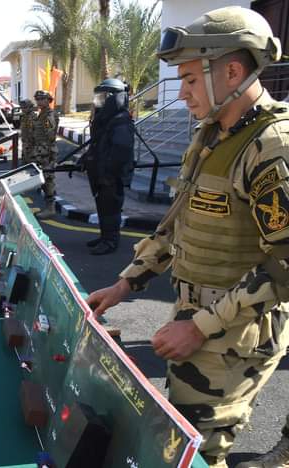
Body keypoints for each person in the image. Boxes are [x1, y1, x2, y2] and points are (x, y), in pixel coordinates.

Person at [87, 7, 289, 468]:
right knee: (177, 439)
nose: (181, 93)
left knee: (192, 454)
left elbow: (283, 267)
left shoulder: (272, 149)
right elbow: (176, 223)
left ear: (232, 72)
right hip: (200, 318)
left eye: (191, 80)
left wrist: (197, 327)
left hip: (235, 331)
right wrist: (125, 283)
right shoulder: (212, 135)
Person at [83, 79, 135, 255]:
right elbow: (98, 145)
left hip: (112, 176)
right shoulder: (108, 119)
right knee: (103, 207)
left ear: (114, 98)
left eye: (103, 97)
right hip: (103, 174)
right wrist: (86, 159)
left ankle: (111, 241)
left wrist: (109, 174)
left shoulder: (121, 121)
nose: (99, 100)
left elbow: (121, 151)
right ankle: (104, 237)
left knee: (111, 209)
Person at [29, 90, 58, 218]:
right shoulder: (42, 114)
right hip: (40, 150)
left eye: (42, 99)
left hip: (46, 151)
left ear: (48, 100)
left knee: (48, 179)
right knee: (43, 179)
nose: (39, 101)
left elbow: (50, 135)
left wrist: (44, 148)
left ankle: (50, 209)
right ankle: (48, 207)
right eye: (37, 99)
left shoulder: (49, 115)